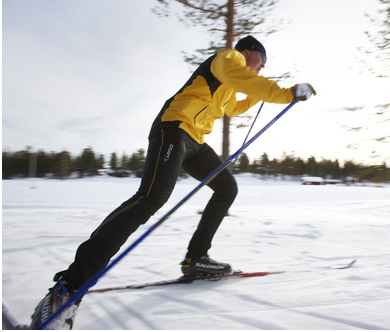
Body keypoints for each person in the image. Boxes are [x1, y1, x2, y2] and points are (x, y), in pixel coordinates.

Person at [29, 35, 316, 329]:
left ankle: (197, 259)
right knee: (151, 198)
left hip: (195, 142)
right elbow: (244, 78)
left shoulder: (231, 84)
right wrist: (287, 93)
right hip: (175, 129)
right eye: (262, 61)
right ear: (249, 51)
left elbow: (234, 108)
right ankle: (67, 287)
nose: (263, 67)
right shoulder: (229, 58)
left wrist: (262, 95)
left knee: (227, 188)